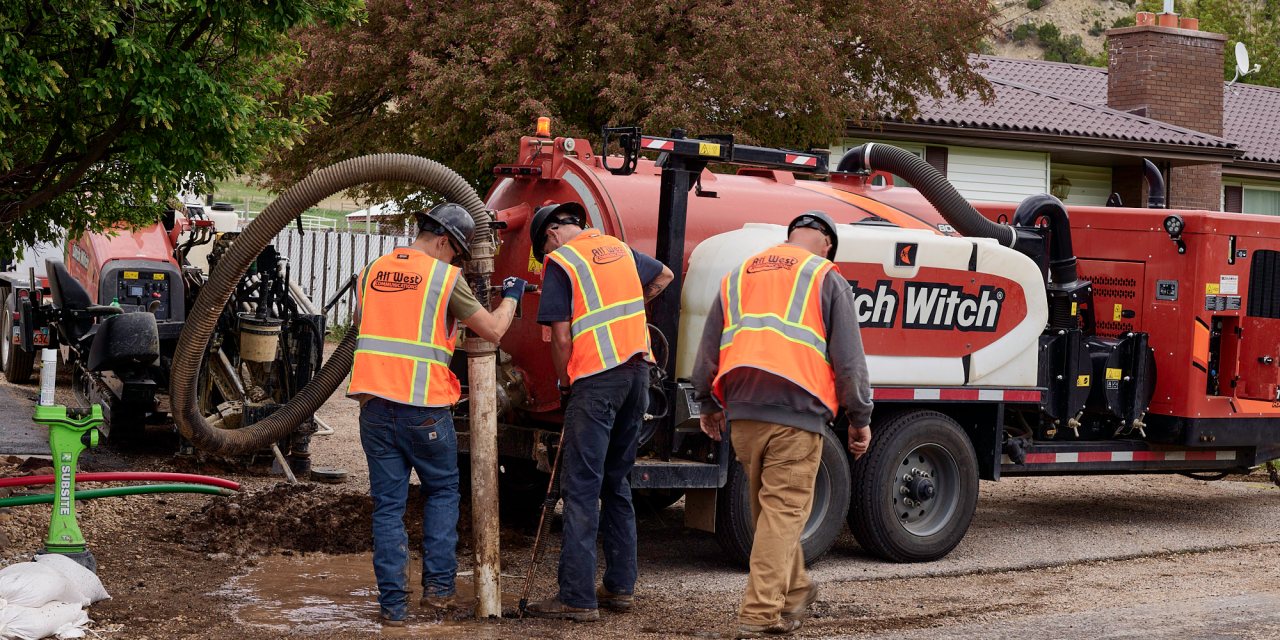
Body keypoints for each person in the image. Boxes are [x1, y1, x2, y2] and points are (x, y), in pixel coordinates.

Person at [692, 211, 874, 638]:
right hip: (797, 413)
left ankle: (794, 591)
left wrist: (705, 402)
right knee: (781, 515)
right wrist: (859, 419)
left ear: (791, 237)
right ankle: (760, 614)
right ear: (827, 243)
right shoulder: (825, 275)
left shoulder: (739, 275)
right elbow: (849, 361)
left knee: (771, 515)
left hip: (744, 414)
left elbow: (709, 346)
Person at [346, 202, 527, 627]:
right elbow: (494, 330)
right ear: (444, 241)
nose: (457, 260)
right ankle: (439, 594)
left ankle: (392, 608)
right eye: (457, 252)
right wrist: (513, 297)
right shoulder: (445, 278)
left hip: (373, 407)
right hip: (424, 409)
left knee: (388, 508)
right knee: (443, 492)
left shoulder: (372, 271)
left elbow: (365, 323)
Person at [524, 202, 674, 621]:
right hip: (639, 375)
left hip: (596, 380)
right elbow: (665, 275)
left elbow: (559, 337)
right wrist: (632, 308)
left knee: (582, 488)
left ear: (550, 235)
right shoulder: (618, 249)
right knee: (617, 482)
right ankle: (620, 588)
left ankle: (576, 597)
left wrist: (564, 383)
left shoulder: (560, 262)